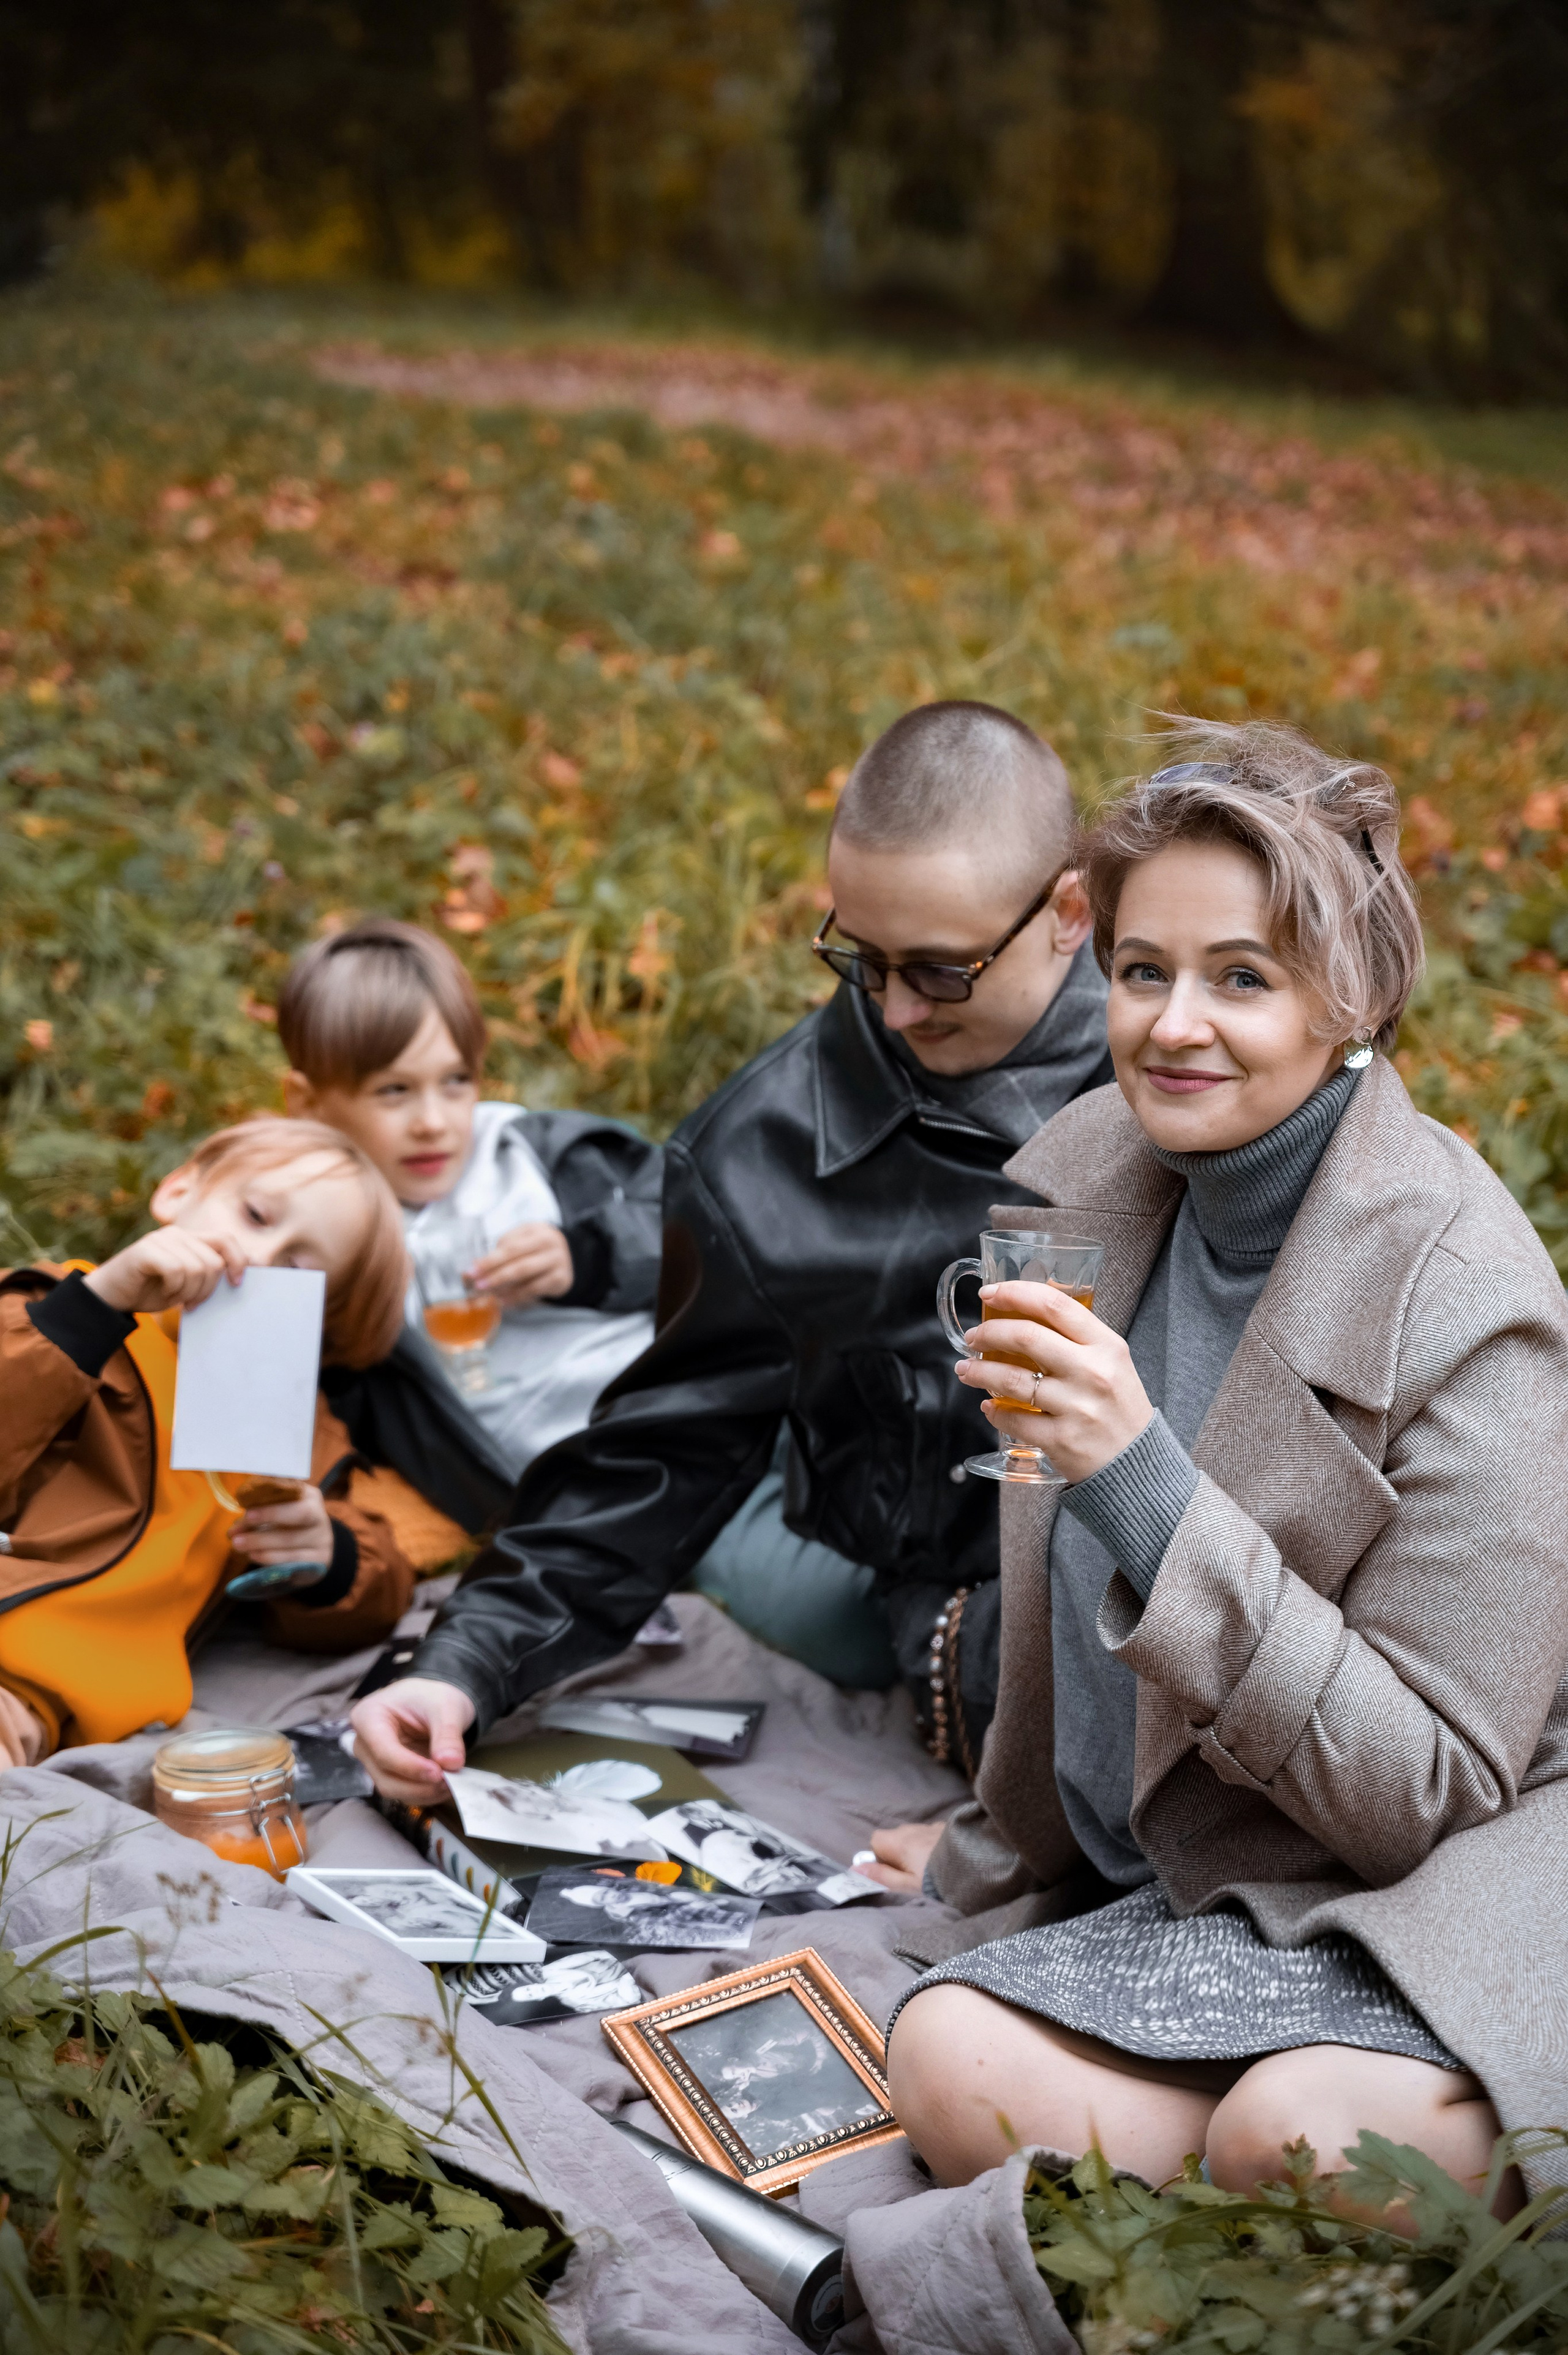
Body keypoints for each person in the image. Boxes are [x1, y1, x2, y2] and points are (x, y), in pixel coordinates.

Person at [874, 722, 1568, 2219]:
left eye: (1240, 977)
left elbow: (1428, 1788)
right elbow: (1067, 1640)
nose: (1172, 1025)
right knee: (940, 2052)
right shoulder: (1089, 1184)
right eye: (1142, 970)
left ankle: (1306, 2174)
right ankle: (1262, 2213)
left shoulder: (1467, 1305)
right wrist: (1002, 1838)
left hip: (1466, 1868)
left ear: (1349, 996)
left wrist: (1144, 1482)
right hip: (1233, 1874)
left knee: (1295, 2133)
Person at [350, 698, 1116, 1805]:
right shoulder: (761, 1151)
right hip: (974, 1607)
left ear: (1070, 912)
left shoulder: (1189, 1061)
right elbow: (664, 1445)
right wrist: (465, 1661)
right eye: (861, 957)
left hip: (1226, 1550)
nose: (896, 1012)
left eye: (941, 971)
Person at [0, 1117, 416, 1767]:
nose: (259, 1255)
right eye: (255, 1215)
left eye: (298, 1268)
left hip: (43, 1707)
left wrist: (327, 1554)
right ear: (177, 1192)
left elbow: (382, 1581)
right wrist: (95, 1309)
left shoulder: (293, 1426)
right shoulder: (48, 1311)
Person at [276, 919, 665, 1541]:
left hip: (701, 1403)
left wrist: (587, 1257)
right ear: (307, 1103)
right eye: (394, 1091)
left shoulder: (536, 1155)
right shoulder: (319, 1241)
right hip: (598, 1494)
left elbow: (712, 1229)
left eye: (456, 1081)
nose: (433, 1122)